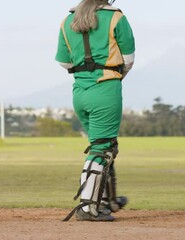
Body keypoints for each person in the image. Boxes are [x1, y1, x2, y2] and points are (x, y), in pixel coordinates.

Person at [55, 0, 135, 222]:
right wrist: (111, 75)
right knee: (102, 149)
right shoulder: (116, 17)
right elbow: (128, 59)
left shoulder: (67, 20)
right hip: (106, 89)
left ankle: (107, 201)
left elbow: (63, 61)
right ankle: (88, 208)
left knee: (103, 146)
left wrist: (84, 73)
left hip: (80, 91)